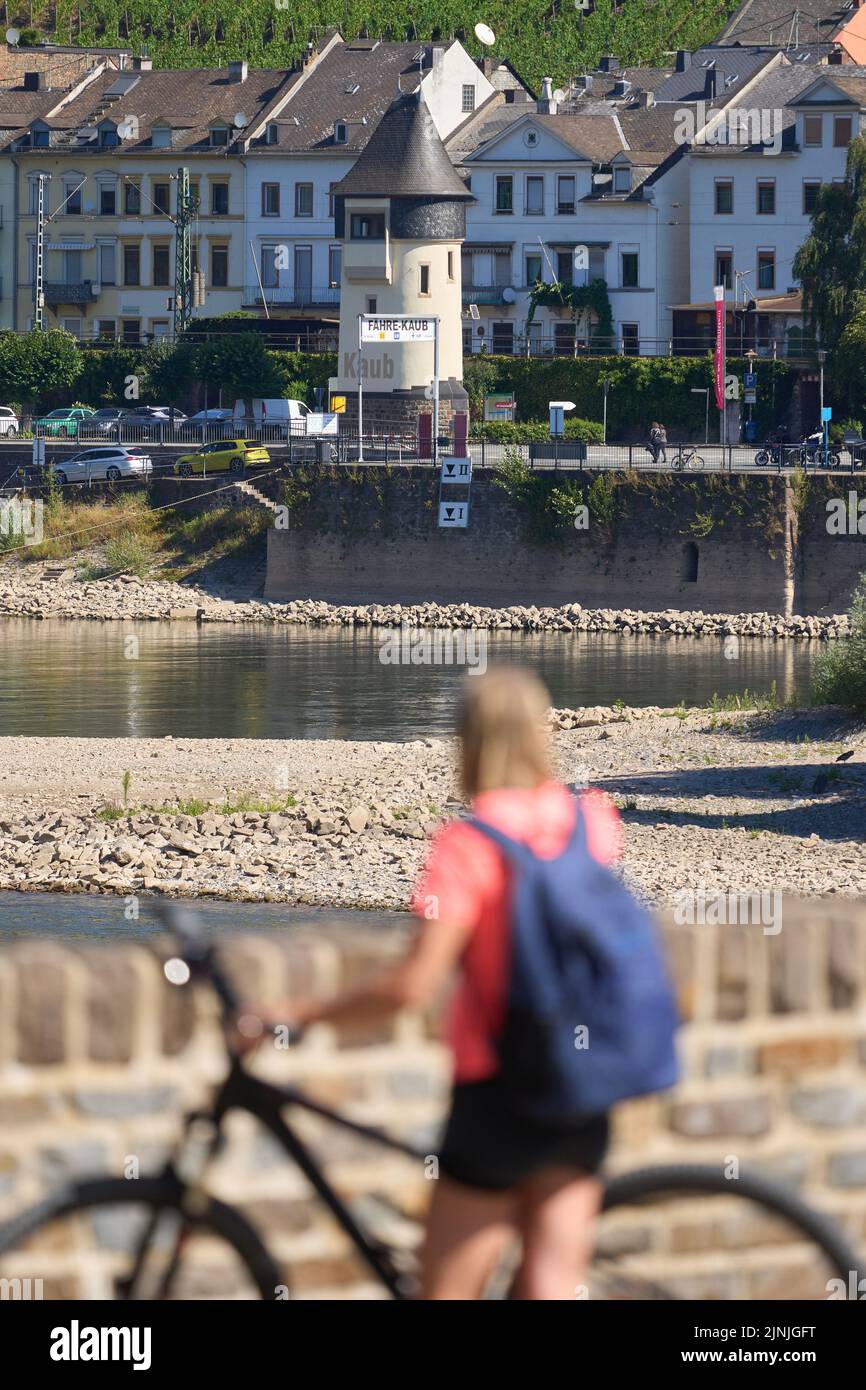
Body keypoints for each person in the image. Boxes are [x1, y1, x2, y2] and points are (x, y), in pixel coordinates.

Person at [246, 667, 622, 1299]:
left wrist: (297, 1015)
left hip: (500, 1089)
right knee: (551, 1287)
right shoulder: (594, 820)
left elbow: (412, 987)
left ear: (466, 740)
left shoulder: (471, 843)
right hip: (585, 1084)